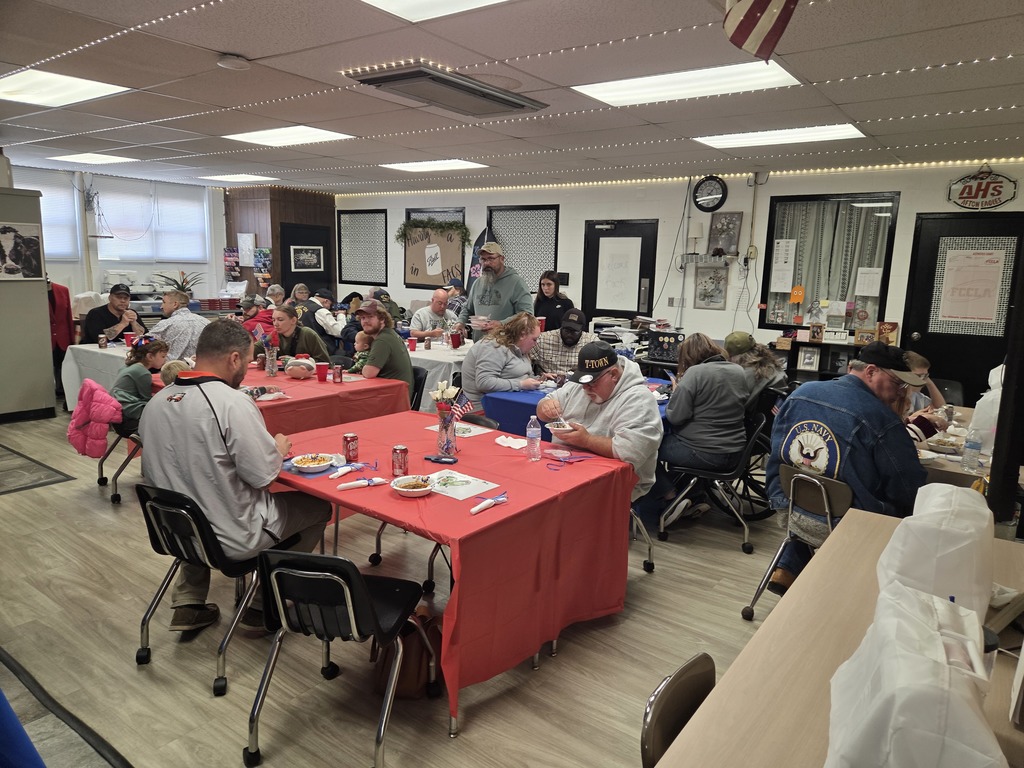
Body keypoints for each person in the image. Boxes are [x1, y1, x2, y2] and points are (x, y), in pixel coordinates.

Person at [140, 320, 331, 632]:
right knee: (318, 508)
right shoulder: (231, 402)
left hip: (175, 532)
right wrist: (278, 449)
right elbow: (262, 476)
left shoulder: (157, 401)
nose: (246, 369)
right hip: (230, 536)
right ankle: (264, 601)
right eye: (247, 360)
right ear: (234, 358)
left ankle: (188, 601)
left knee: (192, 493)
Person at [765, 341, 928, 594]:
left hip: (789, 507)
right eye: (898, 383)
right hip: (848, 525)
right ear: (871, 371)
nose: (900, 393)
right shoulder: (881, 419)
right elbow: (908, 487)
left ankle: (788, 566)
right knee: (913, 510)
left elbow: (777, 451)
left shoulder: (801, 393)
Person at [637, 333, 750, 527]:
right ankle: (694, 495)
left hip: (706, 452)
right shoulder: (738, 370)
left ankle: (671, 498)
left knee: (644, 447)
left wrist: (677, 392)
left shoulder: (695, 373)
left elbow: (675, 416)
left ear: (688, 356)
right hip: (736, 451)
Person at [536, 341, 663, 502]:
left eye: (592, 383)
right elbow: (544, 407)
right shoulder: (579, 386)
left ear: (614, 375)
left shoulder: (639, 400)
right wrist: (545, 407)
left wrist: (587, 441)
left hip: (617, 481)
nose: (585, 389)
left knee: (555, 502)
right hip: (564, 467)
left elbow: (629, 451)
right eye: (582, 382)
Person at [460, 312, 549, 405]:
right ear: (522, 335)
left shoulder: (521, 348)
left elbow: (524, 376)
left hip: (510, 399)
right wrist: (520, 384)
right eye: (534, 339)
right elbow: (484, 383)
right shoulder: (493, 346)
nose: (535, 344)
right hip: (483, 405)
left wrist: (539, 380)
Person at [455, 242, 533, 340]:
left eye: (491, 258)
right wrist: (460, 322)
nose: (486, 263)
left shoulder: (516, 283)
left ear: (502, 259)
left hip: (506, 344)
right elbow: (467, 309)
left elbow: (527, 314)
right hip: (479, 344)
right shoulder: (477, 283)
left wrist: (502, 324)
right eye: (483, 259)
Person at [354, 298, 414, 396]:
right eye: (363, 318)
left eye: (370, 317)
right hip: (396, 393)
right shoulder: (389, 334)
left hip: (393, 398)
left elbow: (368, 373)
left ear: (382, 319)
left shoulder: (382, 340)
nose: (365, 321)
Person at [110, 336, 169, 432]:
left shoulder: (128, 366)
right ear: (150, 356)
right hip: (128, 420)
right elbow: (147, 401)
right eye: (163, 356)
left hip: (117, 415)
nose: (165, 360)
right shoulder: (142, 372)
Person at [724, 331, 787, 412]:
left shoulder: (749, 373)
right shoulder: (770, 364)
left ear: (733, 356)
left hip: (752, 416)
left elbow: (735, 405)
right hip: (772, 414)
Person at [530, 308, 598, 376]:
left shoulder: (592, 343)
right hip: (548, 380)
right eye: (566, 330)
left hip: (577, 380)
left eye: (574, 331)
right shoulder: (542, 339)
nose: (569, 334)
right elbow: (525, 359)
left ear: (582, 330)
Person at [149, 289, 210, 360]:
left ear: (175, 304)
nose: (161, 307)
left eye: (164, 302)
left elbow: (143, 343)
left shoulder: (166, 324)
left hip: (171, 366)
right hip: (202, 365)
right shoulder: (206, 322)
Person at [258, 306, 330, 363]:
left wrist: (296, 361)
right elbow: (255, 349)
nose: (275, 324)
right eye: (273, 320)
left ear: (293, 320)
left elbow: (324, 362)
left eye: (280, 320)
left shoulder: (307, 334)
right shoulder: (274, 334)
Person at [81, 283, 146, 344]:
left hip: (123, 349)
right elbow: (100, 339)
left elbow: (145, 337)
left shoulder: (131, 313)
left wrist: (134, 323)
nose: (123, 301)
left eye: (126, 298)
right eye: (119, 297)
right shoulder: (96, 313)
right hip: (96, 349)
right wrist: (122, 324)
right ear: (110, 298)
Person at [48, 275, 74, 400]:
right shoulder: (32, 292)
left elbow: (68, 315)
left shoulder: (63, 290)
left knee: (62, 365)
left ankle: (62, 390)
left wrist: (72, 339)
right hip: (43, 337)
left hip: (62, 336)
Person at [298, 289, 345, 354]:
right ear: (326, 301)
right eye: (330, 305)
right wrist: (341, 315)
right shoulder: (320, 311)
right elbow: (340, 332)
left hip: (299, 349)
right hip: (319, 351)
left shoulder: (297, 307)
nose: (329, 308)